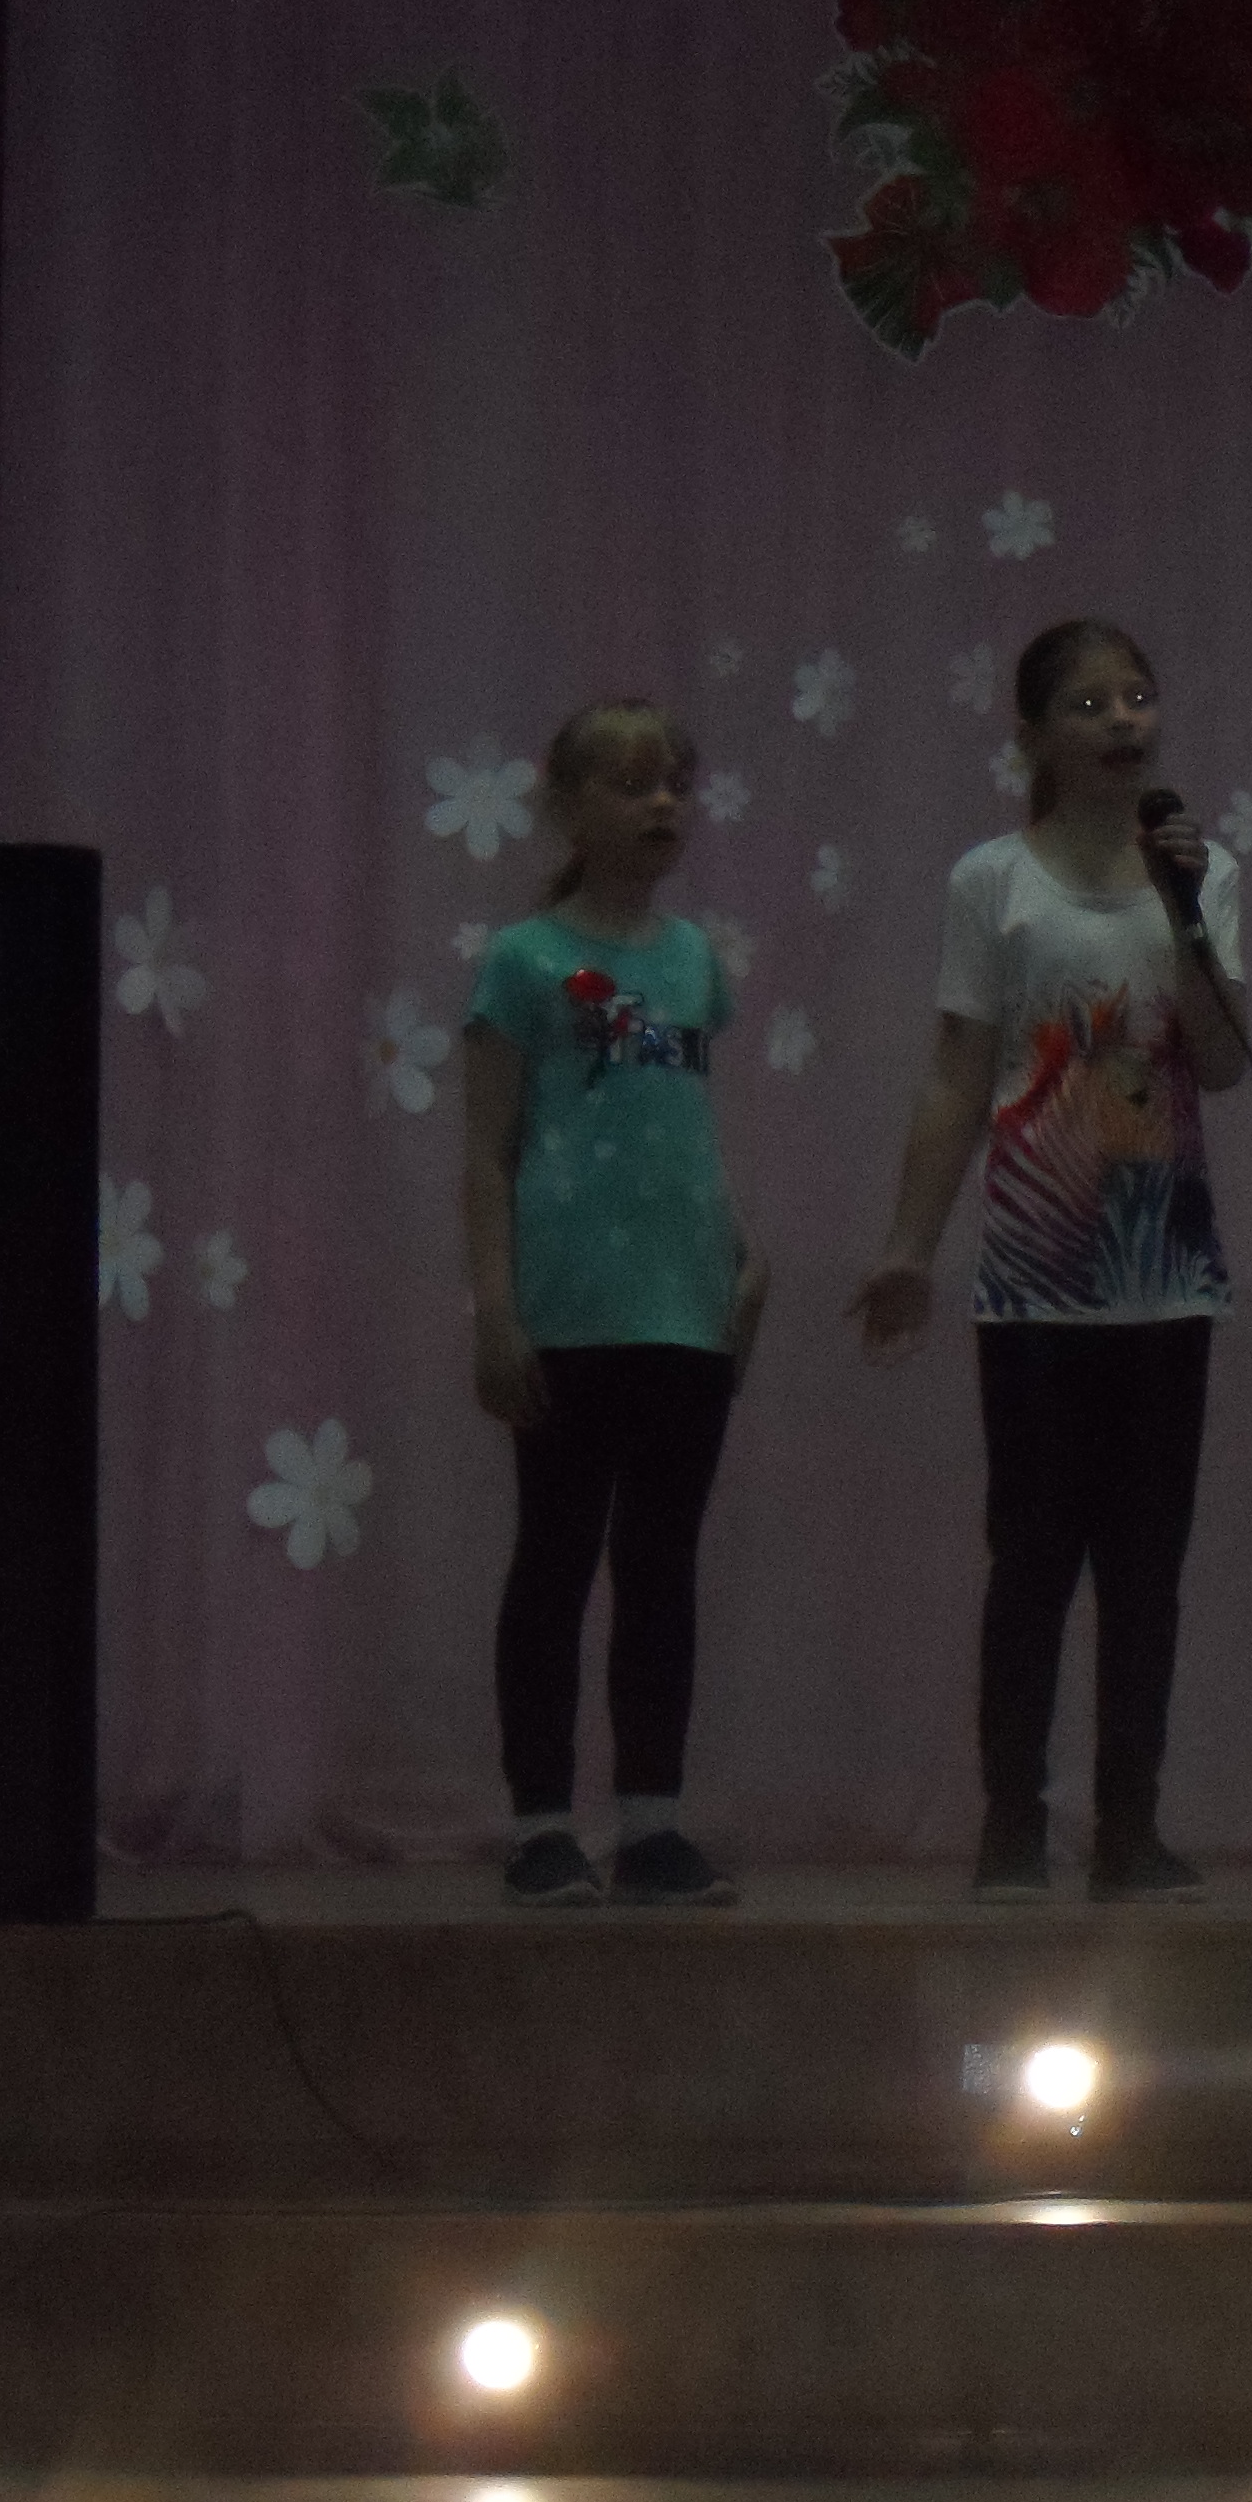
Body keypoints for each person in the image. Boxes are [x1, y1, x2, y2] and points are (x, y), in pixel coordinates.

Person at [849, 620, 1252, 1904]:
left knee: (1147, 1572)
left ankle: (1130, 1828)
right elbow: (957, 1074)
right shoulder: (992, 881)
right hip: (1035, 1281)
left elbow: (1224, 1064)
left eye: (1138, 696)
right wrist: (909, 1247)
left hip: (1165, 1278)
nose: (1123, 721)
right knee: (1032, 1560)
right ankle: (1012, 1824)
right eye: (1088, 704)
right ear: (1031, 736)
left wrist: (1187, 918)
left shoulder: (1206, 873)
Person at [457, 700, 764, 1909]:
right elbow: (487, 1152)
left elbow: (683, 1128)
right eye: (632, 786)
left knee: (661, 1567)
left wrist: (744, 1257)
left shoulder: (692, 961)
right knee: (555, 1559)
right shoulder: (523, 962)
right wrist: (496, 1311)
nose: (662, 805)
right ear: (568, 809)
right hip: (570, 1309)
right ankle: (541, 1826)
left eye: (674, 783)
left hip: (687, 1307)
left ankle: (651, 1825)